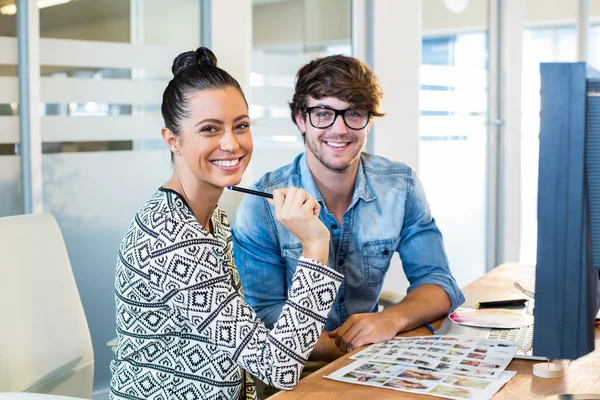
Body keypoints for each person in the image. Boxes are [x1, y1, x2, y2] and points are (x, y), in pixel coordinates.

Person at [109, 47, 343, 400]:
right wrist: (315, 245)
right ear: (172, 140)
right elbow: (277, 367)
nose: (231, 143)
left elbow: (241, 345)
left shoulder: (210, 215)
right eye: (209, 129)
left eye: (241, 126)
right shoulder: (170, 236)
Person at [232, 54, 465, 363]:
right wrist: (353, 345)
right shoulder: (261, 204)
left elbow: (438, 282)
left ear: (369, 120)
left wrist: (389, 320)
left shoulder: (400, 186)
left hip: (374, 356)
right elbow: (263, 319)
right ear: (301, 119)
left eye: (354, 113)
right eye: (323, 113)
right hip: (295, 370)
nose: (339, 129)